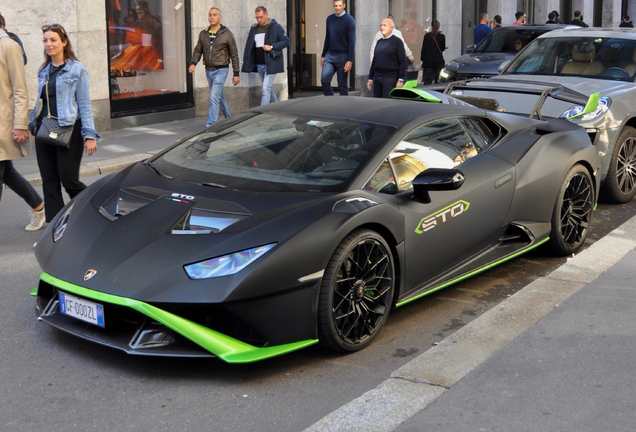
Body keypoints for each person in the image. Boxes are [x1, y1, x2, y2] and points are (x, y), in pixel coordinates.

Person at [28, 24, 99, 224]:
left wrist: (90, 135)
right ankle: (56, 226)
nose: (48, 44)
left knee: (69, 180)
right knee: (49, 182)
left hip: (70, 130)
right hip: (44, 129)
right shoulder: (44, 70)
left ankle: (94, 208)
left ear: (64, 42)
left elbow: (84, 104)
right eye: (45, 40)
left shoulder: (77, 69)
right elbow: (41, 101)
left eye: (53, 40)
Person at [0, 25, 45, 230]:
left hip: (3, 122)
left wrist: (21, 124)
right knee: (7, 172)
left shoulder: (9, 46)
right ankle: (39, 207)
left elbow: (20, 89)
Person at [189, 7, 240, 127]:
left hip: (221, 70)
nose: (212, 17)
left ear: (220, 17)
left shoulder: (227, 34)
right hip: (209, 71)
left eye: (215, 15)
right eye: (210, 15)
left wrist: (236, 73)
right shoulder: (204, 34)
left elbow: (234, 54)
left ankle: (210, 125)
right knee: (219, 97)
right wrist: (193, 63)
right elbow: (198, 51)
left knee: (213, 96)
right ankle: (229, 120)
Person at [241, 6, 290, 105]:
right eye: (257, 17)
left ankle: (262, 113)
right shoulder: (254, 28)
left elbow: (286, 41)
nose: (259, 19)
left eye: (261, 17)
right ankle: (278, 108)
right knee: (268, 88)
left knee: (266, 88)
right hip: (259, 64)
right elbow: (249, 46)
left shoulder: (276, 27)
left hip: (271, 63)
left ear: (266, 15)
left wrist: (272, 46)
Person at [320, 0, 356, 96]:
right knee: (324, 80)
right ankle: (331, 102)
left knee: (342, 84)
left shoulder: (349, 20)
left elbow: (352, 42)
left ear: (344, 5)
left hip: (343, 55)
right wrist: (323, 55)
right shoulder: (330, 19)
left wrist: (349, 60)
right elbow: (327, 38)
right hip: (330, 55)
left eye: (340, 5)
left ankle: (343, 107)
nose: (337, 7)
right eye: (335, 5)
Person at [367, 18, 406, 98]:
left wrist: (400, 79)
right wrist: (370, 78)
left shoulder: (397, 42)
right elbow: (374, 61)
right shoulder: (379, 41)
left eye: (385, 25)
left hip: (390, 77)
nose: (382, 27)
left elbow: (402, 61)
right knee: (377, 101)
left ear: (391, 27)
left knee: (387, 101)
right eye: (381, 25)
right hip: (378, 76)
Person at [420, 19, 446, 85]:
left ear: (431, 26)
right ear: (439, 27)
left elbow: (424, 49)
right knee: (438, 81)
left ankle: (427, 94)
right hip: (438, 61)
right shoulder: (442, 37)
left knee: (427, 80)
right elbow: (442, 48)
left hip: (428, 61)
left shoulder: (427, 36)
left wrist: (422, 60)